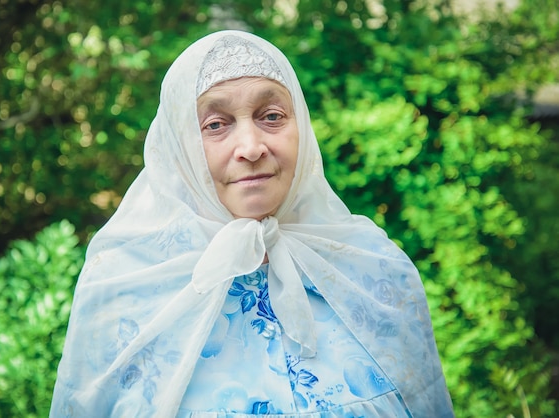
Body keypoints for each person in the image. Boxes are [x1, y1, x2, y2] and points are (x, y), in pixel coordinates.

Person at [50, 30, 454, 417]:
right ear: (179, 146)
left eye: (272, 116)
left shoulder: (378, 271)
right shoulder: (122, 286)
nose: (251, 147)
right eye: (215, 125)